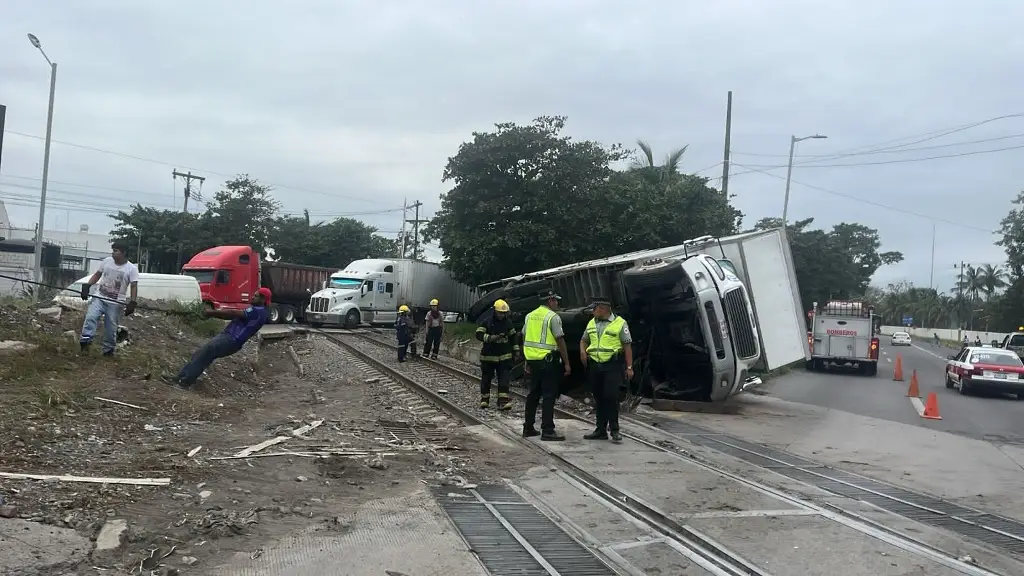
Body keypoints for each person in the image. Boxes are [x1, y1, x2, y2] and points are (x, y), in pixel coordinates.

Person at [165, 288, 271, 389]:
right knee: (201, 354)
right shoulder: (259, 311)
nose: (252, 297)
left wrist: (211, 312)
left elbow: (233, 314)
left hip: (231, 339)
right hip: (229, 338)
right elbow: (230, 315)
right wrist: (213, 314)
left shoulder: (258, 311)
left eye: (256, 296)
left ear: (262, 299)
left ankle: (184, 382)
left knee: (203, 354)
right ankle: (181, 378)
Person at [580, 297, 633, 444]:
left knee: (611, 397)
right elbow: (584, 339)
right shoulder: (592, 323)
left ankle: (615, 430)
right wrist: (582, 351)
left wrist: (629, 367)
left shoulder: (620, 323)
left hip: (612, 366)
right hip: (595, 366)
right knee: (598, 397)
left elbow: (627, 346)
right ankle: (600, 430)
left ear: (603, 309)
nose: (593, 311)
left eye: (595, 308)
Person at [521, 290, 570, 441]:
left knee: (533, 394)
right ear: (550, 300)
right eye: (556, 301)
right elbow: (560, 340)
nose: (557, 303)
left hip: (533, 361)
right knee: (549, 395)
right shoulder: (553, 317)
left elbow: (524, 336)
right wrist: (567, 362)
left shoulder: (529, 316)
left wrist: (527, 359)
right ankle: (547, 430)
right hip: (548, 362)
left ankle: (528, 427)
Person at [79, 242, 140, 356]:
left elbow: (133, 285)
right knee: (91, 318)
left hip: (116, 303)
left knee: (111, 327)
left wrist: (133, 301)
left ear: (124, 253)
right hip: (99, 297)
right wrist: (87, 286)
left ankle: (108, 350)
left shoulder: (131, 269)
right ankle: (85, 343)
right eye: (113, 250)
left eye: (116, 251)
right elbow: (97, 275)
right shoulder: (107, 261)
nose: (113, 253)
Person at [475, 299, 519, 410]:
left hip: (504, 357)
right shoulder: (487, 322)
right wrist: (490, 338)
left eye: (504, 313)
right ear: (495, 311)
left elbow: (514, 337)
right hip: (488, 357)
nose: (502, 315)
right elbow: (479, 334)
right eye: (500, 313)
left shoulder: (508, 323)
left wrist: (516, 350)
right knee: (486, 379)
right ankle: (485, 400)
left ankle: (502, 402)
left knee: (504, 379)